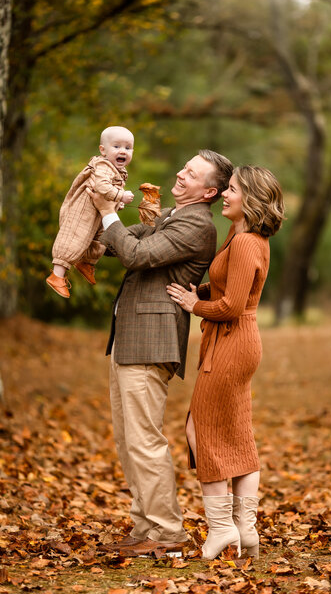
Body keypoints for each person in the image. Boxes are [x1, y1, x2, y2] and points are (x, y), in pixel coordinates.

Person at [88, 150, 234, 557]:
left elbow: (134, 253)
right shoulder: (171, 214)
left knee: (144, 440)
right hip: (131, 336)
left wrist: (108, 214)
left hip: (153, 339)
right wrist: (115, 224)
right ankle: (144, 525)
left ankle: (168, 531)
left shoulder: (196, 225)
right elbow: (122, 245)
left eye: (191, 173)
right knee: (128, 440)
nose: (179, 173)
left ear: (210, 191)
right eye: (183, 167)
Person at [167, 165, 285, 560]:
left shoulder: (248, 241)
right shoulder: (243, 237)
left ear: (249, 198)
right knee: (234, 430)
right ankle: (245, 530)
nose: (224, 195)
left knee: (202, 427)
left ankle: (222, 530)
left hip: (233, 341)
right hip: (235, 341)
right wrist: (198, 290)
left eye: (231, 189)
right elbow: (230, 286)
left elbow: (232, 305)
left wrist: (193, 304)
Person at [46, 126, 135, 298]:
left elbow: (109, 190)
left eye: (128, 147)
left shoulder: (118, 170)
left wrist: (117, 202)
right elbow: (102, 186)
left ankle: (86, 263)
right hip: (84, 210)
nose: (123, 151)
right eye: (116, 146)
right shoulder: (103, 165)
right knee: (74, 236)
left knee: (102, 237)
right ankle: (57, 275)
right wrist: (120, 195)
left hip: (98, 211)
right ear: (103, 150)